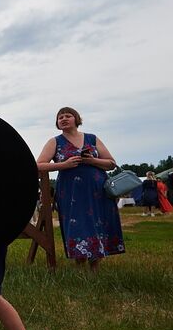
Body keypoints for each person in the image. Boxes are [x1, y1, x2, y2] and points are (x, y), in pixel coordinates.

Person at [36, 107, 125, 270]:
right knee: (77, 225)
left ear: (76, 119)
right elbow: (38, 165)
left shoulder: (92, 138)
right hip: (71, 193)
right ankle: (79, 265)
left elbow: (111, 163)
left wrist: (92, 161)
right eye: (60, 117)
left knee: (97, 223)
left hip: (98, 191)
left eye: (67, 116)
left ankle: (95, 267)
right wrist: (64, 164)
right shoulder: (54, 141)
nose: (63, 119)